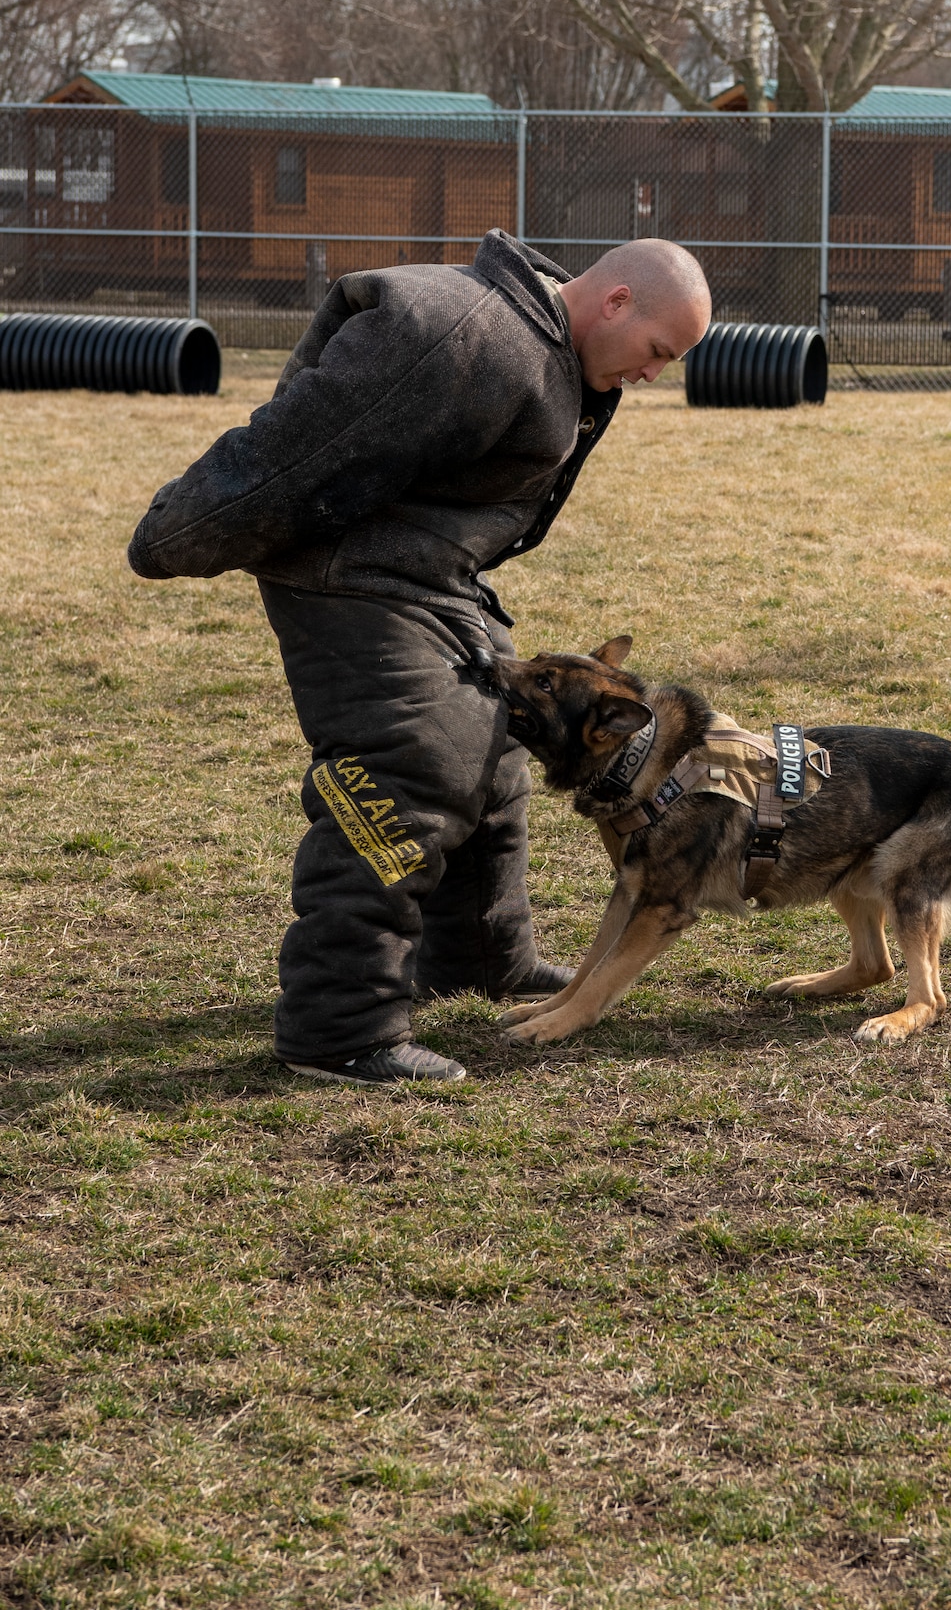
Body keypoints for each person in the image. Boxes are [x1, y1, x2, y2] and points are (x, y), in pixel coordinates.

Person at [127, 229, 711, 1085]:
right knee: (411, 770)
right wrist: (176, 532)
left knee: (502, 740)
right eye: (657, 351)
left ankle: (481, 954)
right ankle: (339, 1029)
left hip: (428, 570)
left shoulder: (547, 345)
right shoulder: (457, 335)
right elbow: (303, 444)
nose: (654, 373)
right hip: (345, 571)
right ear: (616, 301)